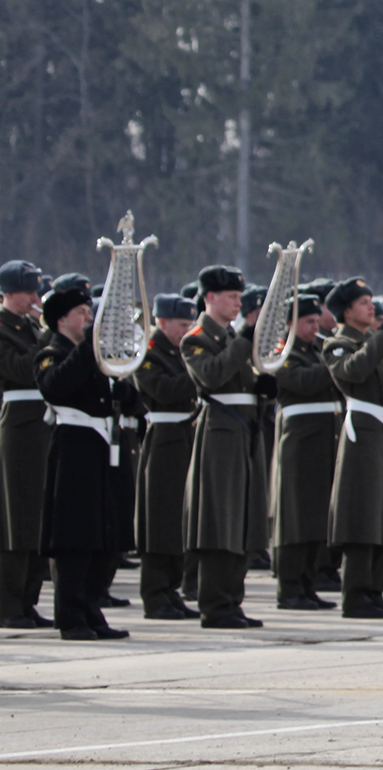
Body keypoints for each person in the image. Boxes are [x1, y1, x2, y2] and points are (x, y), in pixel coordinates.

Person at [34, 284, 136, 640]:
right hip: (74, 448)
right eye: (81, 313)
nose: (88, 318)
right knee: (74, 535)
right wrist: (88, 346)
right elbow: (55, 386)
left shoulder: (96, 354)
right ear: (62, 319)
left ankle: (92, 609)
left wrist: (125, 391)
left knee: (104, 532)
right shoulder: (51, 352)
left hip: (104, 447)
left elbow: (128, 397)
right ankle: (71, 615)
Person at [182, 266, 265, 630]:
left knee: (243, 518)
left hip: (243, 430)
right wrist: (245, 341)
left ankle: (233, 599)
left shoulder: (232, 337)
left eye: (238, 297)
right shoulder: (196, 338)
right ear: (210, 298)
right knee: (220, 520)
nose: (237, 304)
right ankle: (215, 604)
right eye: (231, 297)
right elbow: (212, 375)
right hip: (219, 433)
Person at [324, 278, 383, 619]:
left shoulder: (373, 342)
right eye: (363, 303)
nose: (371, 307)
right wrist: (382, 338)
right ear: (346, 312)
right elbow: (352, 372)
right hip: (362, 434)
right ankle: (356, 595)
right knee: (362, 518)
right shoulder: (338, 343)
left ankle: (374, 593)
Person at [269, 294, 341, 609]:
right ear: (290, 324)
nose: (315, 328)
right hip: (298, 442)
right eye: (308, 322)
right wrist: (336, 362)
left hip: (323, 441)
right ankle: (290, 588)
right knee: (295, 518)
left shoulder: (315, 350)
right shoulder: (281, 353)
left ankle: (308, 584)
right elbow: (302, 381)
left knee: (315, 519)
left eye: (316, 321)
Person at [133, 292, 200, 619]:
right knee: (160, 520)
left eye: (190, 324)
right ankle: (155, 593)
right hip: (164, 439)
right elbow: (164, 390)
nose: (187, 330)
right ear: (161, 322)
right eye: (181, 324)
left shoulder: (178, 352)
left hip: (185, 435)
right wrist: (200, 373)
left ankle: (172, 589)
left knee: (179, 520)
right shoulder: (149, 353)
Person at [0, 259, 53, 628]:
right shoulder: (4, 330)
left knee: (37, 518)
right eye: (28, 292)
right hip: (17, 427)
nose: (35, 297)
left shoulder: (32, 327)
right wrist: (50, 337)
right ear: (9, 294)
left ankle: (29, 598)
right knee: (16, 518)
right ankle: (8, 602)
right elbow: (20, 368)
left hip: (41, 425)